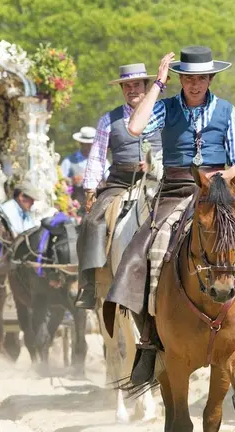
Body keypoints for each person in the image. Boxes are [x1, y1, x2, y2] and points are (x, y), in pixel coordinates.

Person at [104, 46, 235, 386]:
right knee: (143, 253)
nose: (195, 84)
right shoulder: (167, 106)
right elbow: (135, 127)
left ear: (210, 78)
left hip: (218, 192)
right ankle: (149, 342)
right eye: (188, 78)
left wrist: (218, 183)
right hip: (176, 190)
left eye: (201, 78)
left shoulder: (225, 111)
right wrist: (158, 82)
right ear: (180, 79)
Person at [74, 63, 164, 309]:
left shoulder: (163, 113)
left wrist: (156, 164)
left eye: (136, 85)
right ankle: (89, 284)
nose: (132, 89)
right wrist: (91, 190)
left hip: (161, 180)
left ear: (146, 87)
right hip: (120, 182)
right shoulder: (108, 119)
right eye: (127, 86)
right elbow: (97, 157)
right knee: (92, 222)